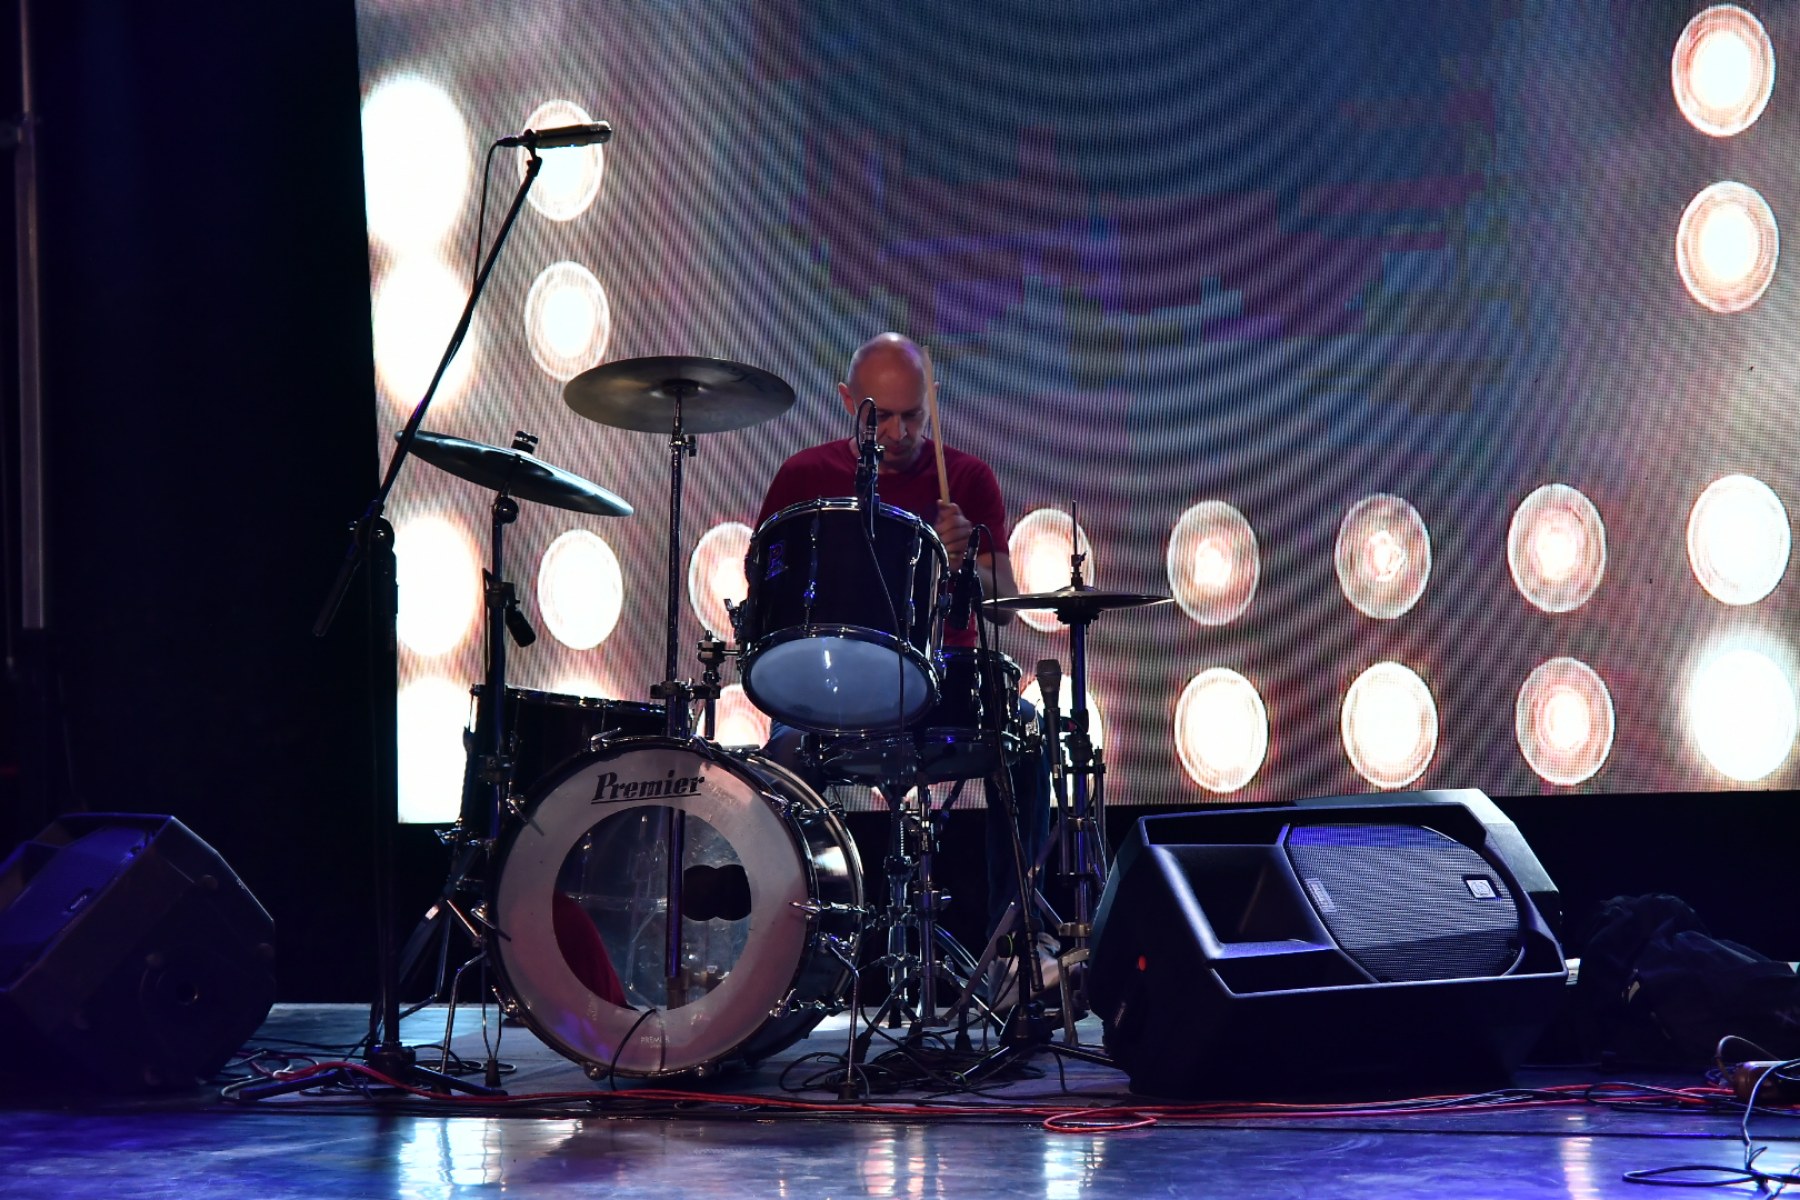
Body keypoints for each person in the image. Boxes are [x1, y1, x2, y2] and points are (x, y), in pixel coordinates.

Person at [753, 332, 1051, 957]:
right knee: (779, 764)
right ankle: (791, 958)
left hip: (941, 685)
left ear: (931, 402)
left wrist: (968, 557)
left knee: (1027, 741)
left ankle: (1011, 950)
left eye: (913, 414)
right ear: (847, 401)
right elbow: (764, 590)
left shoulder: (966, 479)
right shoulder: (805, 476)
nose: (898, 431)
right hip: (833, 689)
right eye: (880, 416)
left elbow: (1004, 607)